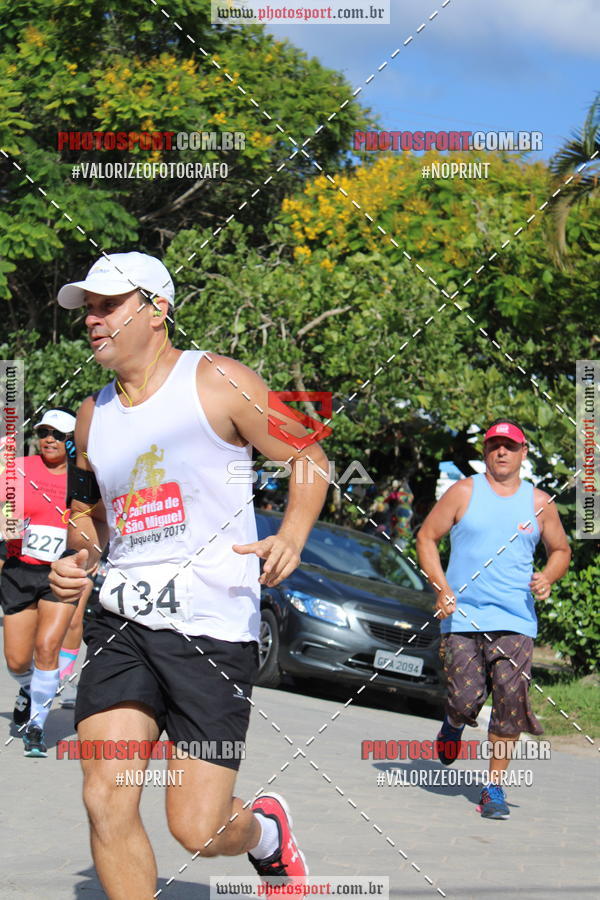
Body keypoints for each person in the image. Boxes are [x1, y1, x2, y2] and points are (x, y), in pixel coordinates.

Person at [49, 251, 329, 898]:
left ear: (157, 310)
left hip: (212, 626)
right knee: (105, 795)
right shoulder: (91, 416)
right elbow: (89, 514)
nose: (93, 320)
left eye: (109, 306)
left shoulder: (217, 382)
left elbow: (308, 455)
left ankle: (264, 833)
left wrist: (291, 534)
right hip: (123, 620)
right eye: (88, 309)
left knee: (198, 828)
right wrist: (79, 557)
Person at [416, 419, 571, 820]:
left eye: (510, 446)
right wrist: (441, 588)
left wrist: (548, 576)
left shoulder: (540, 503)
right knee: (465, 698)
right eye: (494, 445)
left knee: (510, 701)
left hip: (516, 620)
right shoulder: (463, 492)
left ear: (523, 453)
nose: (502, 452)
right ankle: (453, 722)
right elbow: (426, 537)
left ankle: (493, 787)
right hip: (463, 617)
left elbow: (561, 550)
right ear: (485, 452)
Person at [0, 408, 91, 755]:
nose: (49, 439)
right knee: (16, 660)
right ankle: (28, 686)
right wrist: (9, 523)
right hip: (20, 570)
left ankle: (36, 727)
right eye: (43, 432)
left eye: (58, 434)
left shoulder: (83, 478)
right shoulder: (18, 468)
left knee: (47, 647)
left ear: (71, 441)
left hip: (61, 573)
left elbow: (95, 520)